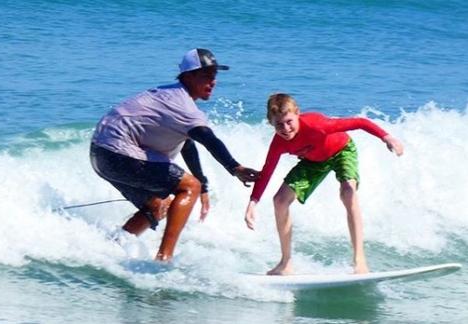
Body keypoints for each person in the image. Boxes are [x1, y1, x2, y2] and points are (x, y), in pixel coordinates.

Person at [90, 48, 259, 261]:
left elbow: (187, 144)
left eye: (214, 76)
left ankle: (111, 249)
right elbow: (208, 138)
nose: (213, 82)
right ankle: (164, 259)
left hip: (101, 154)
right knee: (189, 187)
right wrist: (235, 168)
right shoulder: (182, 105)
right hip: (117, 152)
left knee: (158, 205)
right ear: (188, 76)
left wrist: (203, 185)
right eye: (206, 76)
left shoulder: (170, 95)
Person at [244, 93, 404, 275]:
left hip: (342, 150)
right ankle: (285, 263)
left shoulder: (316, 125)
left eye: (289, 121)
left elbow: (360, 122)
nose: (286, 129)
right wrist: (253, 201)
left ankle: (360, 261)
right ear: (270, 122)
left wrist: (387, 137)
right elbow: (267, 170)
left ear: (297, 113)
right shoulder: (278, 143)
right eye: (279, 124)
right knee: (280, 200)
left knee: (348, 193)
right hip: (313, 161)